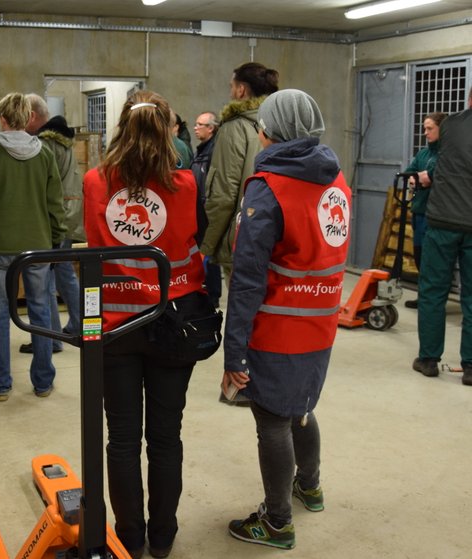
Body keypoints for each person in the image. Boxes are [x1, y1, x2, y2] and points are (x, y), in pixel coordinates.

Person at [221, 89, 351, 549]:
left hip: (276, 328)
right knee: (301, 408)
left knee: (272, 420)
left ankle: (276, 522)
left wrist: (233, 348)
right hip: (320, 324)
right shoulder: (337, 182)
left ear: (267, 132)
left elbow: (248, 278)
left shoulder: (268, 187)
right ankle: (309, 486)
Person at [83, 90, 208, 559]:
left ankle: (129, 537)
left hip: (114, 325)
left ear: (120, 127)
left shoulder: (96, 182)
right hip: (172, 321)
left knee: (120, 438)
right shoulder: (186, 184)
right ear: (169, 131)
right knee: (165, 436)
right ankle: (163, 536)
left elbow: (92, 241)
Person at [0, 92, 66, 401]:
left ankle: (1, 385)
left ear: (3, 119)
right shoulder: (45, 154)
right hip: (38, 246)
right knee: (40, 310)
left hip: (0, 249)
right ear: (26, 119)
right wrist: (56, 236)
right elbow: (55, 204)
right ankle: (43, 381)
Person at [412, 89, 472, 386]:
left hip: (443, 220)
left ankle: (429, 359)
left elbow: (434, 160)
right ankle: (471, 366)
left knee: (434, 291)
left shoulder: (450, 125)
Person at [201, 62, 279, 280]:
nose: (231, 91)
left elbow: (224, 193)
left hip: (244, 238)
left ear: (241, 90)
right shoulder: (283, 124)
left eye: (231, 86)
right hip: (278, 236)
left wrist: (205, 246)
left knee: (243, 306)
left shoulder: (235, 128)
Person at [19, 93, 84, 355]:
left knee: (43, 279)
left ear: (32, 116)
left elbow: (42, 187)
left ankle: (51, 338)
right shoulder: (63, 141)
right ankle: (78, 325)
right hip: (68, 215)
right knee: (63, 272)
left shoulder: (43, 145)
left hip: (52, 219)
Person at [402, 111, 446, 309]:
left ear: (441, 129)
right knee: (420, 256)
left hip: (436, 214)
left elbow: (431, 178)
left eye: (430, 128)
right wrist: (418, 178)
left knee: (433, 259)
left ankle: (434, 300)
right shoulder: (423, 153)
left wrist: (423, 178)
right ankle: (424, 297)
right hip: (419, 211)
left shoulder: (446, 154)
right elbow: (411, 174)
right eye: (424, 128)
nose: (426, 133)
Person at [192, 111, 223, 308]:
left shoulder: (213, 152)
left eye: (200, 124)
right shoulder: (201, 150)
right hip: (198, 213)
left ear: (211, 128)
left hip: (208, 214)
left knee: (210, 257)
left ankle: (212, 296)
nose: (196, 128)